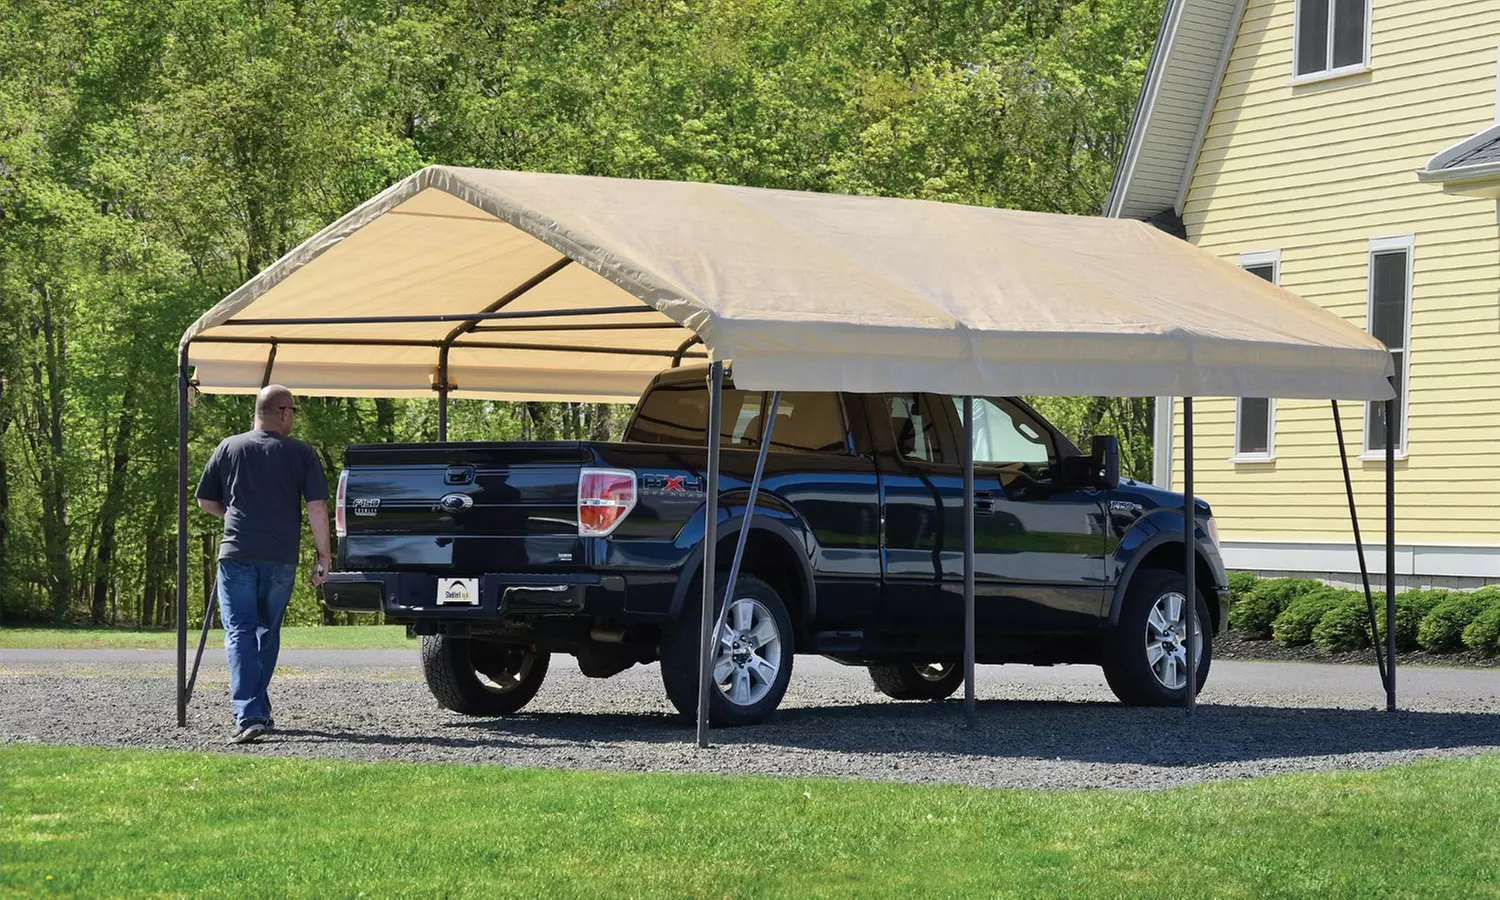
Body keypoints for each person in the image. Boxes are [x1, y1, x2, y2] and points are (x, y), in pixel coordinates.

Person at [196, 384, 331, 744]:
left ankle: (251, 713)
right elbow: (317, 507)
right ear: (284, 412)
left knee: (239, 631)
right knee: (267, 630)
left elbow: (205, 501)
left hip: (237, 552)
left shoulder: (229, 447)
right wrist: (324, 556)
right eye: (293, 411)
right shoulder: (301, 453)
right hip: (280, 557)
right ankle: (255, 711)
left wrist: (235, 517)